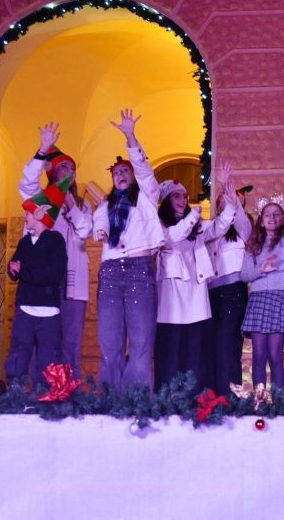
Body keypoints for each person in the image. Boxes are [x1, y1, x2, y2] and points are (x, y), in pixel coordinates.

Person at [93, 109, 164, 391]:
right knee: (109, 343)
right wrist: (101, 230)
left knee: (141, 343)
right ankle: (110, 401)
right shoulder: (105, 205)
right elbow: (99, 220)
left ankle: (137, 402)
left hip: (139, 271)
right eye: (116, 173)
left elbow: (145, 171)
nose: (120, 175)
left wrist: (130, 137)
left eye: (125, 171)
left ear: (133, 176)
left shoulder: (147, 197)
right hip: (111, 272)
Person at [18, 123, 93, 379]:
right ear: (52, 171)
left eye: (73, 169)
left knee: (70, 343)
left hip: (73, 284)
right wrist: (42, 149)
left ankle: (68, 393)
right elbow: (26, 182)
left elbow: (85, 231)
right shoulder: (39, 198)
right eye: (64, 167)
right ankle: (39, 393)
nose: (70, 172)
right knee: (40, 341)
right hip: (43, 281)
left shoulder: (82, 205)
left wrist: (71, 206)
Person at [154, 179, 237, 393]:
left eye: (184, 196)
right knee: (171, 353)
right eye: (176, 196)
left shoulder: (196, 226)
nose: (182, 200)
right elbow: (173, 237)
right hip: (172, 297)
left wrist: (230, 201)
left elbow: (219, 227)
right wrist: (192, 217)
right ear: (166, 200)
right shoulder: (159, 224)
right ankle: (168, 398)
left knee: (195, 353)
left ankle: (196, 398)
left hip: (196, 295)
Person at [5, 175, 70, 387]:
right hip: (25, 309)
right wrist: (13, 270)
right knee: (18, 355)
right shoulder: (24, 242)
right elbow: (15, 265)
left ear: (41, 214)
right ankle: (14, 396)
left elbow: (54, 273)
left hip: (49, 312)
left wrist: (24, 271)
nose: (25, 216)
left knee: (48, 360)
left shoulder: (55, 241)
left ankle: (46, 398)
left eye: (28, 212)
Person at [239, 195, 284, 391]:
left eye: (276, 214)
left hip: (280, 298)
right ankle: (258, 401)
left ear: (282, 219)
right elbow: (244, 275)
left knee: (275, 355)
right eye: (267, 214)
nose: (272, 218)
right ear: (261, 219)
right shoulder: (253, 245)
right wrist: (261, 270)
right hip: (259, 299)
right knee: (259, 355)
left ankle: (279, 402)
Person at [204, 162, 252, 394]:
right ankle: (213, 396)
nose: (228, 204)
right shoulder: (211, 228)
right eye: (223, 201)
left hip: (233, 292)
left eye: (233, 201)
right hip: (210, 293)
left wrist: (227, 187)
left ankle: (229, 396)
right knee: (212, 345)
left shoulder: (244, 229)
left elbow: (239, 218)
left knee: (228, 344)